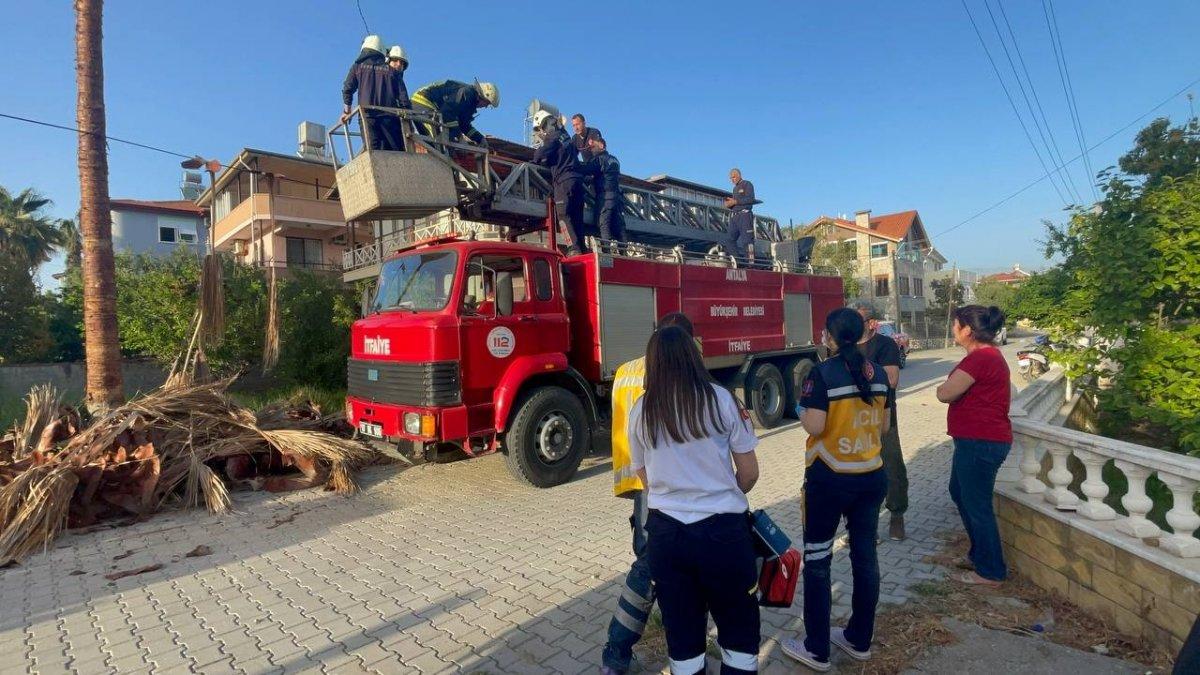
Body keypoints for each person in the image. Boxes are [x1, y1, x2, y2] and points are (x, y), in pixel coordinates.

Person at [630, 324, 761, 675]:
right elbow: (749, 474)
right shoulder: (723, 399)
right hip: (724, 535)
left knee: (683, 638)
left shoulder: (641, 410)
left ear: (653, 362)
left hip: (668, 537)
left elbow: (644, 476)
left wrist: (674, 493)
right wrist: (721, 492)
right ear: (693, 355)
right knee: (739, 634)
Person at [783, 308, 891, 672]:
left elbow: (815, 425)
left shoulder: (822, 373)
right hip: (871, 476)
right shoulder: (878, 373)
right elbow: (885, 428)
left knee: (818, 561)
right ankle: (859, 640)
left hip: (829, 479)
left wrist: (800, 408)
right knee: (865, 558)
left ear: (829, 336)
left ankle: (816, 649)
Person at [602, 312, 694, 675]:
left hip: (636, 479)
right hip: (662, 486)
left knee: (653, 563)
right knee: (650, 568)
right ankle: (620, 654)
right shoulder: (669, 373)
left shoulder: (626, 370)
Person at [936, 305, 1012, 587]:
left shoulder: (981, 358)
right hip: (975, 440)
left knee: (977, 505)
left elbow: (945, 393)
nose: (953, 329)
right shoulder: (986, 356)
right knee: (959, 492)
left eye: (956, 324)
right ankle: (979, 555)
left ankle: (991, 571)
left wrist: (943, 389)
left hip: (981, 441)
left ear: (967, 330)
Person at [850, 300, 908, 541]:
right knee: (857, 472)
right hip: (851, 419)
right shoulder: (845, 346)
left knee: (891, 466)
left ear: (871, 323)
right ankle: (865, 523)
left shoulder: (885, 345)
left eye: (857, 320)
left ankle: (896, 515)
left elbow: (891, 379)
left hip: (882, 416)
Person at [531, 110, 587, 255]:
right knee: (577, 218)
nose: (542, 132)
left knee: (563, 216)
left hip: (563, 182)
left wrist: (537, 158)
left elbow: (540, 154)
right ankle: (582, 249)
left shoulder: (552, 137)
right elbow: (562, 154)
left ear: (547, 124)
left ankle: (573, 248)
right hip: (577, 181)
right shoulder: (566, 136)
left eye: (542, 128)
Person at [341, 35, 409, 151]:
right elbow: (405, 101)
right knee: (394, 153)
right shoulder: (393, 72)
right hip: (389, 119)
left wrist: (347, 112)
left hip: (367, 118)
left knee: (373, 152)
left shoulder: (357, 67)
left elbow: (347, 89)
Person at [410, 79, 499, 145]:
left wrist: (480, 139)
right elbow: (447, 113)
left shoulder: (470, 101)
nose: (486, 106)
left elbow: (464, 124)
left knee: (444, 140)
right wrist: (459, 137)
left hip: (430, 106)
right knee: (436, 140)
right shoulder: (467, 94)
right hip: (423, 102)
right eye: (487, 103)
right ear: (482, 96)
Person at [586, 137, 627, 243]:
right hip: (617, 197)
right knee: (619, 226)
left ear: (601, 146)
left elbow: (586, 170)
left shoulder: (599, 159)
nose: (591, 150)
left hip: (605, 197)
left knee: (604, 224)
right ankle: (623, 249)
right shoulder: (614, 160)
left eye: (593, 147)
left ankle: (607, 249)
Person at [721, 168, 756, 261]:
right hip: (735, 216)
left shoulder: (747, 184)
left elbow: (750, 199)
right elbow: (736, 203)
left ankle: (750, 263)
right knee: (729, 240)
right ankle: (737, 261)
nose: (732, 180)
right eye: (730, 178)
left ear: (739, 175)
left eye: (733, 177)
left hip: (745, 215)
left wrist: (735, 201)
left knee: (747, 241)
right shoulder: (734, 189)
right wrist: (729, 204)